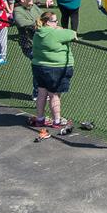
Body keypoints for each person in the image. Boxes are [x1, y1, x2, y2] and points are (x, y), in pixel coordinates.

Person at [29, 11, 77, 140]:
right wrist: (60, 29)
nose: (57, 23)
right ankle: (57, 120)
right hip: (56, 68)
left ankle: (40, 119)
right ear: (48, 22)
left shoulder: (38, 32)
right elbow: (72, 33)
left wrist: (58, 28)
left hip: (39, 67)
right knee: (54, 95)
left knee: (41, 92)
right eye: (55, 21)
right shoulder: (55, 33)